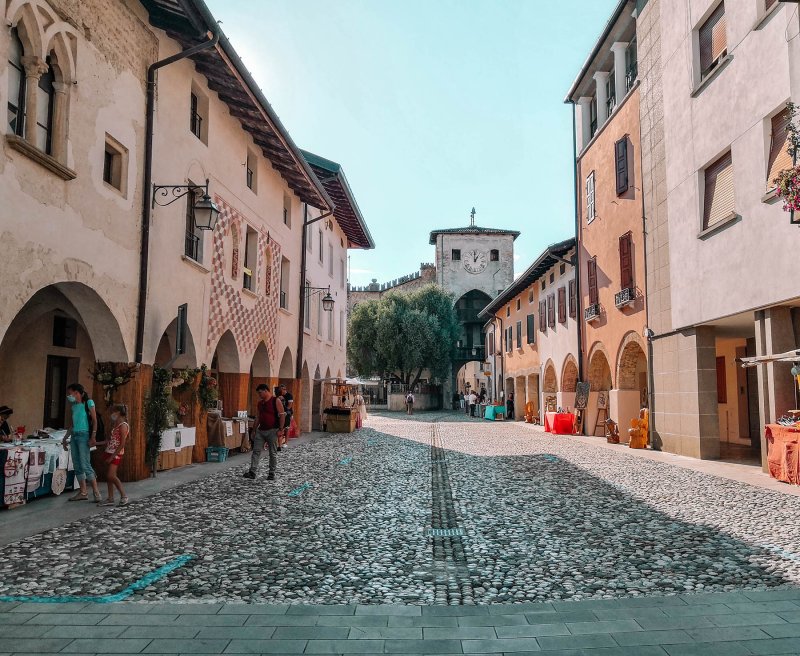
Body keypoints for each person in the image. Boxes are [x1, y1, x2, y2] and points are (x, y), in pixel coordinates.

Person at [61, 383, 102, 502]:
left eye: (70, 393)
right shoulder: (74, 407)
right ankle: (83, 492)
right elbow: (72, 425)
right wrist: (65, 437)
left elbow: (94, 420)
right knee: (77, 464)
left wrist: (93, 436)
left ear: (77, 393)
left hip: (84, 435)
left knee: (85, 464)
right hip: (74, 436)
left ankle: (96, 491)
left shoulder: (89, 403)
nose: (69, 396)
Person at [244, 384, 285, 481]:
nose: (259, 395)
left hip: (273, 431)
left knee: (272, 453)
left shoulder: (276, 400)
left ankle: (271, 473)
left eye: (260, 392)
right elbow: (258, 417)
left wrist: (281, 429)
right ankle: (252, 471)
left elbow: (282, 415)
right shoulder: (260, 403)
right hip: (261, 430)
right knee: (256, 451)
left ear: (266, 391)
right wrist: (254, 430)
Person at [98, 404, 129, 507]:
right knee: (109, 476)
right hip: (110, 451)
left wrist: (112, 456)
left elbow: (122, 443)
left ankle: (124, 495)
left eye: (113, 412)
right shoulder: (116, 424)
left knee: (111, 475)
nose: (112, 414)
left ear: (118, 412)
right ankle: (110, 498)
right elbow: (110, 440)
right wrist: (98, 443)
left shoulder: (123, 426)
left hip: (116, 453)